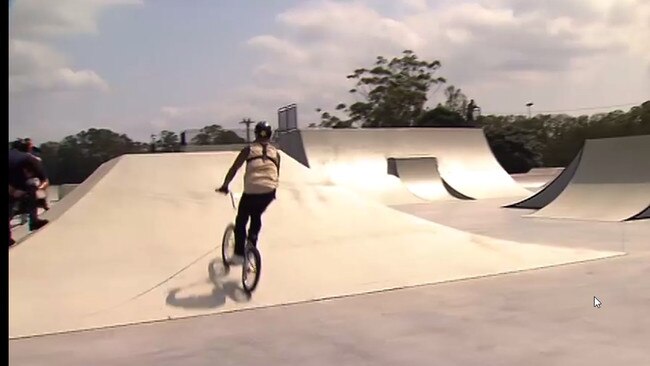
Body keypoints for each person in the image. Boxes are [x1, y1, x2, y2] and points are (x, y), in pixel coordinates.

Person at [216, 121, 280, 263]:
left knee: (241, 219)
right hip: (269, 191)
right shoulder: (275, 152)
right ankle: (252, 244)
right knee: (256, 214)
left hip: (252, 189)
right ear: (270, 135)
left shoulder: (249, 149)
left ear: (255, 134)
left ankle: (239, 254)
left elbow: (234, 168)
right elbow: (277, 172)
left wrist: (225, 186)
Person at [9, 139, 50, 246]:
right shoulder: (29, 159)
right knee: (32, 188)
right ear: (28, 149)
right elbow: (45, 181)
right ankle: (34, 220)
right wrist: (39, 192)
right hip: (17, 186)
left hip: (13, 185)